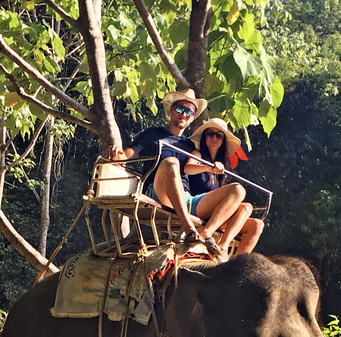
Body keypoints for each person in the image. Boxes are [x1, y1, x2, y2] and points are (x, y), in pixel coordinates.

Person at [106, 90, 243, 256]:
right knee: (172, 163)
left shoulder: (190, 146)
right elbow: (126, 156)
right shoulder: (153, 134)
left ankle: (206, 235)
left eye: (189, 112)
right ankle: (189, 231)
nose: (184, 114)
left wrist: (212, 168)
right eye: (180, 109)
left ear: (192, 117)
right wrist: (115, 151)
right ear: (171, 110)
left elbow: (195, 172)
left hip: (186, 198)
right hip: (157, 190)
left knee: (238, 190)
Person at [187, 118, 264, 256]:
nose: (214, 138)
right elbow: (187, 168)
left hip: (212, 211)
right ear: (204, 137)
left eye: (219, 135)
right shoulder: (197, 154)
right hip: (196, 203)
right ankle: (206, 233)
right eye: (210, 134)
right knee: (238, 190)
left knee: (253, 218)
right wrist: (208, 167)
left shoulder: (222, 165)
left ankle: (224, 249)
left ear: (223, 140)